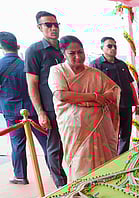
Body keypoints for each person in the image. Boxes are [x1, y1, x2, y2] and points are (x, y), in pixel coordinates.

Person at [49, 36, 120, 182]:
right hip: (74, 129)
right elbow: (61, 95)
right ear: (64, 54)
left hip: (100, 125)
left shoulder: (94, 73)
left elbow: (113, 91)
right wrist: (95, 97)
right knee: (79, 165)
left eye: (80, 52)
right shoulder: (57, 71)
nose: (78, 56)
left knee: (105, 164)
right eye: (72, 53)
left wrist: (97, 99)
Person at [24, 10, 67, 187]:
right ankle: (61, 185)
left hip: (70, 105)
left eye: (55, 24)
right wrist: (40, 112)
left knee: (71, 144)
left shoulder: (65, 48)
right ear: (39, 27)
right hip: (50, 108)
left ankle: (75, 178)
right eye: (48, 25)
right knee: (55, 148)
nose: (53, 28)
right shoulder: (34, 51)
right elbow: (32, 84)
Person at [0, 32, 49, 185]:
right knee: (46, 142)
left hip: (11, 111)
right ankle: (56, 171)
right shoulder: (26, 65)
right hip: (33, 109)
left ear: (2, 47)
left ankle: (20, 176)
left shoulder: (0, 65)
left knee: (17, 144)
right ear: (17, 46)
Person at [90, 37, 139, 155]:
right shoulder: (96, 65)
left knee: (126, 134)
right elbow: (93, 87)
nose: (113, 48)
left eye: (115, 46)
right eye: (109, 46)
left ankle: (122, 157)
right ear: (102, 48)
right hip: (109, 107)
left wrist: (136, 103)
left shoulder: (122, 64)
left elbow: (130, 84)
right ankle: (111, 158)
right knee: (111, 135)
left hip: (125, 104)